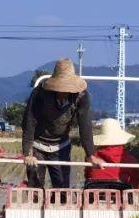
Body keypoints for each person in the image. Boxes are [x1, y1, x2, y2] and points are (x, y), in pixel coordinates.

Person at [21, 58, 104, 188]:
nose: (65, 91)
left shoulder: (81, 97)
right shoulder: (40, 94)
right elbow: (29, 122)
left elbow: (85, 126)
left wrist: (91, 155)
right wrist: (27, 153)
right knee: (35, 189)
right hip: (38, 144)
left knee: (62, 190)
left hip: (61, 145)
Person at [85, 118, 139, 190]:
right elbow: (135, 183)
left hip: (95, 197)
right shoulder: (130, 160)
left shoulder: (92, 158)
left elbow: (87, 176)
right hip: (121, 198)